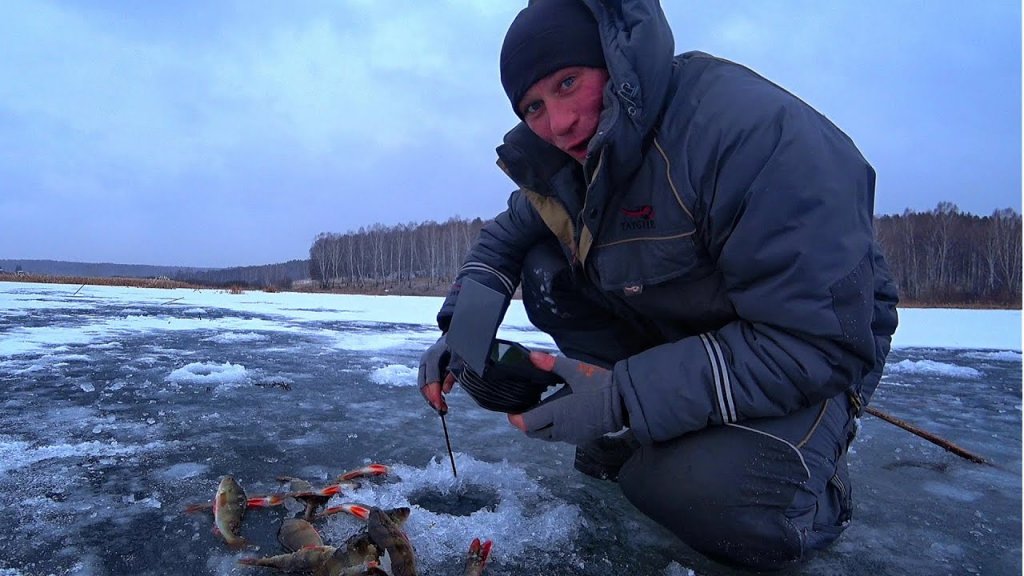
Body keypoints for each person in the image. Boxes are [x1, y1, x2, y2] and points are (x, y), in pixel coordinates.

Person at [418, 0, 899, 570]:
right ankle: (638, 432)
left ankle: (813, 495)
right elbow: (506, 236)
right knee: (548, 263)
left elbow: (814, 342)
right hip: (695, 333)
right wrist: (463, 329)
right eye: (533, 107)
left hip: (815, 349)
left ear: (615, 62)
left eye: (568, 83)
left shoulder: (749, 133)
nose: (558, 123)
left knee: (694, 493)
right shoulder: (579, 161)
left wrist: (622, 396)